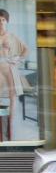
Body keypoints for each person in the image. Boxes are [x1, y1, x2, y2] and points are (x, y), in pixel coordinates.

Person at [0, 9, 28, 141]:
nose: (1, 23)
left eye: (3, 20)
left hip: (9, 70)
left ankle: (10, 134)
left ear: (7, 21)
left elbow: (25, 49)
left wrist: (17, 60)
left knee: (12, 100)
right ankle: (3, 135)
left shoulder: (12, 37)